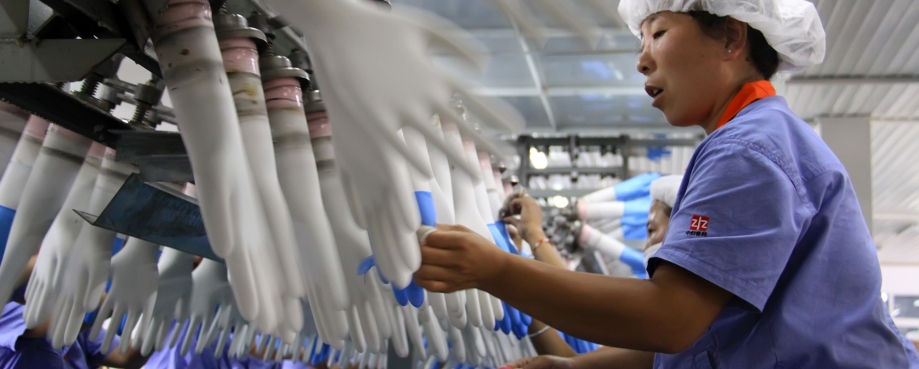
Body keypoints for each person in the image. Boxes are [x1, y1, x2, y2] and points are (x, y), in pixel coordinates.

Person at [414, 1, 919, 368]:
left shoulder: (747, 149)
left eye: (657, 33)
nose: (642, 59)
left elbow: (669, 321)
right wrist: (573, 368)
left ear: (730, 37)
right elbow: (705, 337)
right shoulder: (755, 139)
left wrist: (496, 269)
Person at [0, 255, 149, 369]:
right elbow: (65, 326)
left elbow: (125, 357)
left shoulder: (68, 308)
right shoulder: (8, 308)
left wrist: (154, 318)